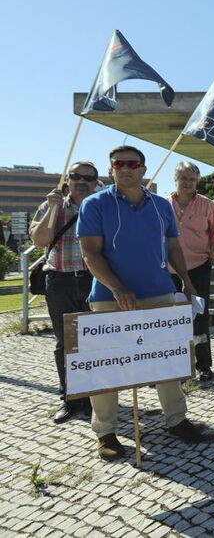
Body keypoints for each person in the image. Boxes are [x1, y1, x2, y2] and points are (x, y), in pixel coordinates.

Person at [77, 145, 211, 460]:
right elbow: (90, 253)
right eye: (118, 163)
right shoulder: (95, 204)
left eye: (132, 163)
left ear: (143, 168)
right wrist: (117, 287)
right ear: (111, 169)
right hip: (109, 299)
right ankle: (106, 432)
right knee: (107, 367)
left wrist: (187, 283)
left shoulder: (161, 206)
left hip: (159, 293)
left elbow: (173, 245)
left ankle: (177, 420)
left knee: (167, 361)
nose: (125, 168)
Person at [30, 160, 98, 423]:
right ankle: (70, 398)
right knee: (64, 344)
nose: (82, 181)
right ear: (67, 179)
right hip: (59, 280)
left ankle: (95, 398)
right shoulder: (50, 205)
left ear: (95, 181)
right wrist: (54, 208)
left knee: (94, 341)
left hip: (94, 280)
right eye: (76, 176)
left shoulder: (101, 204)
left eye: (88, 178)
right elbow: (39, 241)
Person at [169, 162, 214, 382]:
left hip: (198, 267)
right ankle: (177, 365)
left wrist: (212, 258)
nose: (188, 183)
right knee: (172, 318)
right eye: (183, 178)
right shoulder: (164, 204)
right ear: (175, 179)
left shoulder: (207, 205)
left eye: (192, 179)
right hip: (171, 269)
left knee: (200, 316)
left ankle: (203, 365)